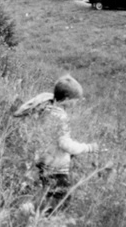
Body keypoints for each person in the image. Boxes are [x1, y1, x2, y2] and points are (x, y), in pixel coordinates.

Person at [12, 75, 101, 214]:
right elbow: (65, 144)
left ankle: (35, 217)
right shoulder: (60, 117)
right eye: (75, 101)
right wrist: (87, 148)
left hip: (44, 161)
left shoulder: (46, 108)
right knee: (61, 199)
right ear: (66, 100)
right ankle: (28, 210)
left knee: (49, 193)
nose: (76, 104)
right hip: (55, 167)